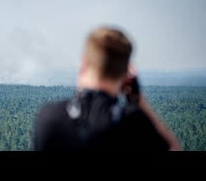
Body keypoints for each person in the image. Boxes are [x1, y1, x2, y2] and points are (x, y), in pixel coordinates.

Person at [33, 27, 182, 151]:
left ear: (84, 65)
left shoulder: (49, 118)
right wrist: (138, 99)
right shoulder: (131, 122)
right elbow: (173, 148)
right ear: (125, 76)